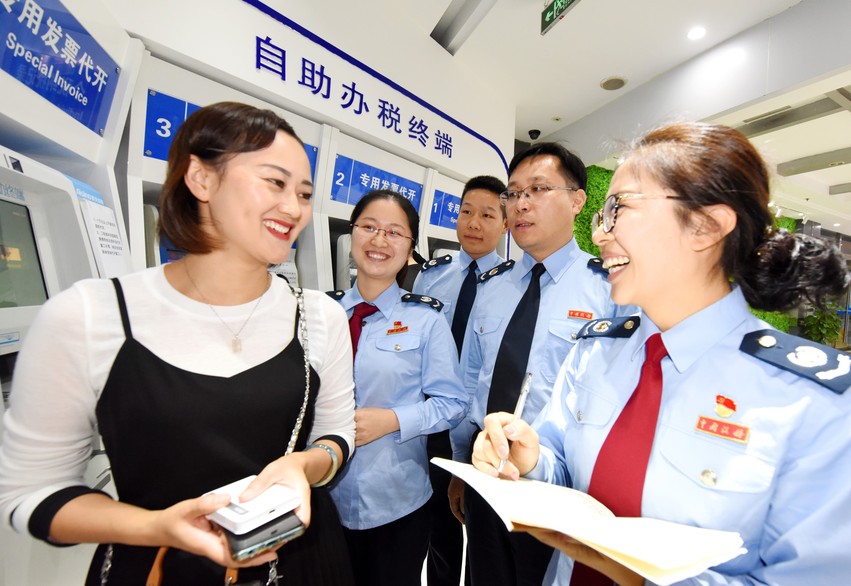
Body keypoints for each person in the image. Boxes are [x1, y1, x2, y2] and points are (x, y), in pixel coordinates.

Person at [473, 121, 851, 585]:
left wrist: (644, 575)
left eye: (620, 209)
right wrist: (530, 459)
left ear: (705, 226)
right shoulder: (595, 351)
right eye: (601, 215)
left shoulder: (814, 404)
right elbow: (563, 468)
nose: (601, 235)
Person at [0, 102, 357, 585]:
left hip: (302, 564)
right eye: (275, 182)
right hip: (153, 567)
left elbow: (336, 438)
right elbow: (30, 493)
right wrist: (155, 525)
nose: (294, 209)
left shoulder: (320, 316)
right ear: (201, 179)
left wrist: (305, 466)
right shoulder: (87, 315)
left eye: (305, 192)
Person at [451, 144, 630, 586]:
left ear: (576, 201)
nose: (521, 203)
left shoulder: (607, 289)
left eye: (538, 189)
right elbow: (472, 382)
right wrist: (461, 464)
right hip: (484, 468)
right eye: (513, 194)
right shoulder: (491, 287)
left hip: (558, 485)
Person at [327, 189, 469, 586]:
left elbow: (452, 403)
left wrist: (392, 420)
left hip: (396, 503)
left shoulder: (427, 321)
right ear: (352, 234)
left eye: (393, 232)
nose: (378, 240)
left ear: (410, 249)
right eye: (369, 227)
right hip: (323, 499)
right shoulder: (322, 315)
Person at [412, 174, 507, 586]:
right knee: (437, 533)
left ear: (506, 224)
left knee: (484, 539)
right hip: (429, 420)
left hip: (479, 430)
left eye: (487, 215)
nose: (474, 223)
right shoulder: (431, 275)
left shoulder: (514, 285)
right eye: (466, 211)